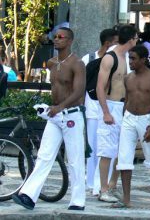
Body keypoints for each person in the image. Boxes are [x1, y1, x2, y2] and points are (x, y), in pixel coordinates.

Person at [12, 27, 86, 210]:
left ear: (69, 41)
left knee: (75, 159)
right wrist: (47, 106)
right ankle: (28, 195)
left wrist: (60, 107)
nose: (56, 39)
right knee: (44, 156)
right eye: (55, 37)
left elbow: (78, 91)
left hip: (72, 116)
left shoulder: (77, 63)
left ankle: (78, 201)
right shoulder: (52, 62)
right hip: (54, 115)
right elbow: (55, 89)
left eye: (61, 37)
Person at [113, 45, 150, 208]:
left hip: (147, 119)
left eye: (134, 58)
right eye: (129, 58)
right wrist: (123, 119)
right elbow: (126, 100)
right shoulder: (128, 78)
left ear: (143, 59)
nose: (131, 62)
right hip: (129, 118)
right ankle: (126, 198)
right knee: (124, 158)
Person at [96, 25, 138, 202]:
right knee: (107, 150)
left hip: (124, 107)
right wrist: (106, 112)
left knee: (124, 149)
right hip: (111, 105)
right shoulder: (110, 57)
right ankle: (103, 188)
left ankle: (113, 184)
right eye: (136, 38)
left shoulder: (128, 58)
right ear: (131, 40)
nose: (137, 41)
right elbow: (100, 86)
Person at [81, 28, 118, 192]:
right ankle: (90, 181)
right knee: (93, 147)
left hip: (110, 109)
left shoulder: (119, 60)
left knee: (107, 147)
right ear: (108, 43)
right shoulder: (88, 59)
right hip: (91, 108)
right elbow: (81, 86)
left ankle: (104, 182)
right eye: (116, 42)